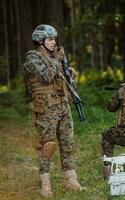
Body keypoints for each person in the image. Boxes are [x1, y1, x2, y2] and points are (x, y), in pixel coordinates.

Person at [22, 24, 85, 198]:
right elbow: (45, 77)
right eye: (50, 39)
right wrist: (57, 60)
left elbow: (59, 81)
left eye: (54, 39)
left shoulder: (54, 58)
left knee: (67, 144)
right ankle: (45, 184)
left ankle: (71, 180)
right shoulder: (32, 58)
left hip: (63, 106)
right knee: (48, 146)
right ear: (40, 41)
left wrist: (68, 75)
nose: (54, 42)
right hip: (46, 109)